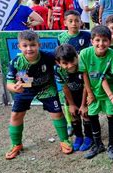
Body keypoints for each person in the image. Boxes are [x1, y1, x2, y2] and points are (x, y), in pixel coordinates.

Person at [4, 30, 72, 160]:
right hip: (25, 89)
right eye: (25, 46)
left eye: (32, 45)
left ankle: (64, 140)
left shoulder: (48, 57)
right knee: (16, 115)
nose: (29, 49)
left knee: (57, 113)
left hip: (47, 88)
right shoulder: (16, 62)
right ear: (19, 47)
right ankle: (16, 144)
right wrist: (15, 88)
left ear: (39, 45)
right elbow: (9, 83)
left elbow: (64, 61)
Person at [79, 25, 113, 160]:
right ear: (92, 41)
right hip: (94, 92)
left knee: (111, 116)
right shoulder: (85, 54)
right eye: (97, 40)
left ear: (109, 41)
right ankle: (98, 145)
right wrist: (90, 94)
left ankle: (111, 145)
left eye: (104, 40)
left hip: (111, 92)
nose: (101, 44)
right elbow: (84, 75)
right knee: (92, 115)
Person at [54, 44, 93, 151]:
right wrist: (71, 104)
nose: (70, 65)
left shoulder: (82, 65)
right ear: (58, 63)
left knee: (85, 114)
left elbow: (86, 86)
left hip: (85, 93)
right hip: (71, 95)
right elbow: (65, 87)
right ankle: (79, 136)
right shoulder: (58, 70)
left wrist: (83, 105)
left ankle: (89, 136)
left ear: (76, 56)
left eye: (72, 61)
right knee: (74, 114)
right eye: (65, 63)